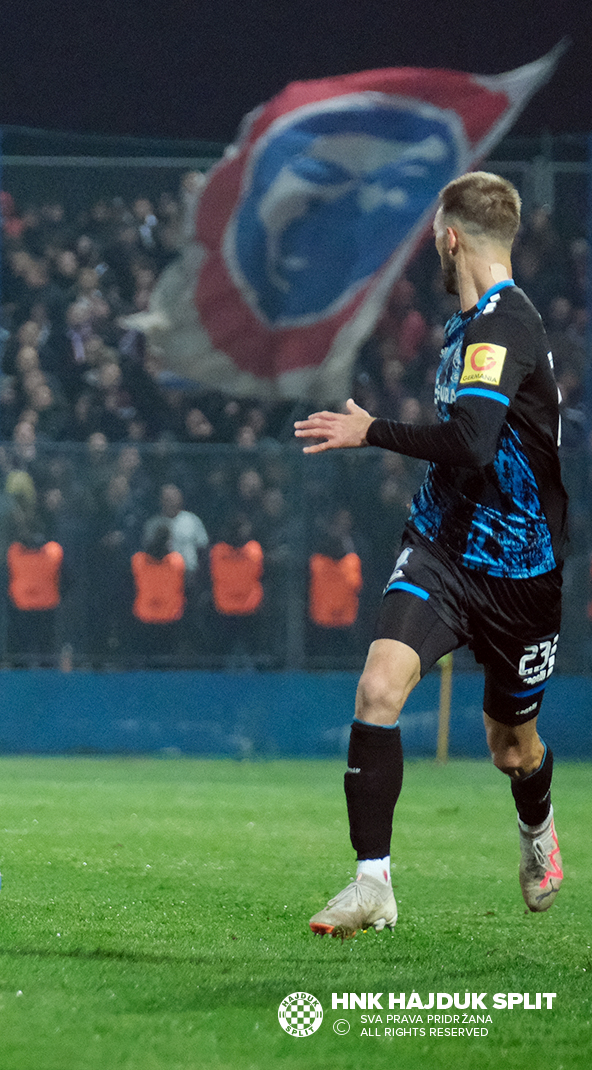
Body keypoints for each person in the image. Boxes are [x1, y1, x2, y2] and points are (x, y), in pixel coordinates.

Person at [294, 172, 566, 937]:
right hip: (442, 549)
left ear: (451, 238)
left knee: (511, 750)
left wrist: (372, 430)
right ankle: (371, 884)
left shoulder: (504, 324)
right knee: (379, 689)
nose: (432, 255)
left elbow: (476, 444)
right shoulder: (467, 324)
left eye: (433, 241)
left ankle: (536, 828)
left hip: (520, 574)